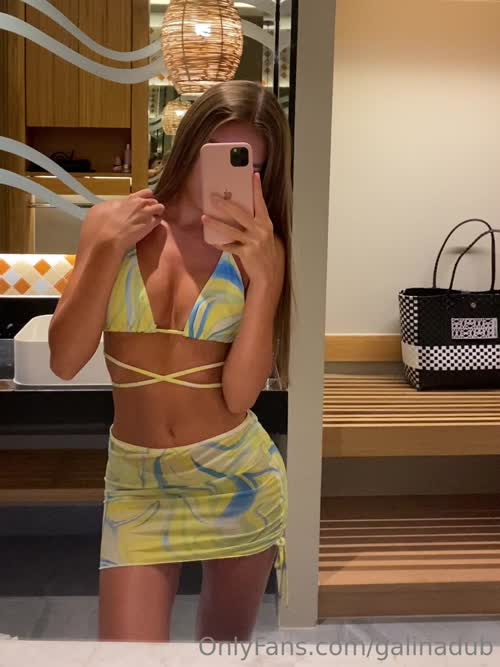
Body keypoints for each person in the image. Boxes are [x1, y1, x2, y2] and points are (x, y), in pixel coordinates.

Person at [48, 80, 293, 643]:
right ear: (189, 144)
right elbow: (65, 360)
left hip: (238, 481)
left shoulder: (259, 251)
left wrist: (267, 280)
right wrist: (107, 249)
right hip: (138, 485)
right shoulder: (111, 224)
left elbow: (240, 395)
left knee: (221, 653)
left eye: (250, 166)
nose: (227, 177)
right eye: (218, 155)